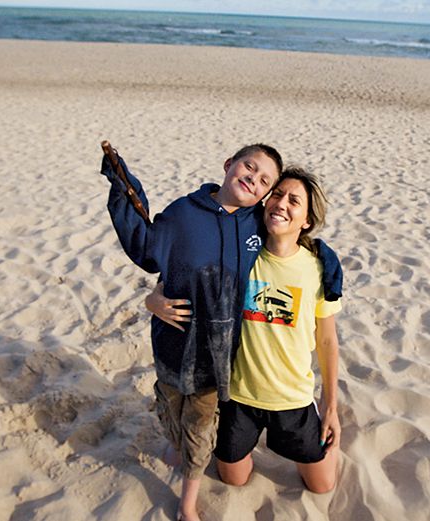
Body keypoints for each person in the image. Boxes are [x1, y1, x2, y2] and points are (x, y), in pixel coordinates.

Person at [99, 147, 342, 521]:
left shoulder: (310, 262)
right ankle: (186, 444)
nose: (278, 201)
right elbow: (174, 258)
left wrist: (331, 407)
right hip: (238, 391)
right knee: (231, 476)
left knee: (322, 484)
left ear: (307, 220)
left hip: (290, 396)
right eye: (276, 193)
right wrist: (153, 298)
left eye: (290, 198)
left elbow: (327, 339)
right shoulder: (230, 231)